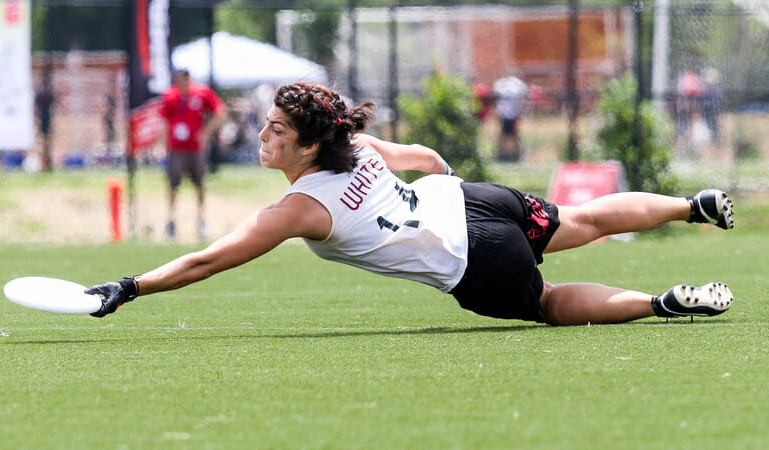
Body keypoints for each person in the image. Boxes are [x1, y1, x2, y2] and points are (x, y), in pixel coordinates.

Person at [85, 82, 735, 326]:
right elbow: (424, 157)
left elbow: (208, 261)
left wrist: (132, 286)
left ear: (310, 144)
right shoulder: (358, 144)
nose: (263, 135)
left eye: (277, 130)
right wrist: (451, 193)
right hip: (473, 201)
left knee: (546, 303)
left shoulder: (299, 210)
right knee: (582, 220)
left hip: (468, 255)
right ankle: (691, 205)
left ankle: (661, 304)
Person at [159, 69, 227, 240]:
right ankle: (171, 220)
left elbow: (220, 112)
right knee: (173, 184)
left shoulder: (201, 93)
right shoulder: (170, 96)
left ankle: (202, 219)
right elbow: (165, 121)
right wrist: (162, 145)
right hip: (176, 148)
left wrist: (206, 132)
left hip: (195, 148)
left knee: (199, 184)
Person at [492, 73, 528, 162]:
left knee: (514, 136)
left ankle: (516, 155)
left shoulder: (516, 85)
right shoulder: (501, 84)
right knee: (504, 136)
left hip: (513, 115)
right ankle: (503, 155)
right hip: (504, 115)